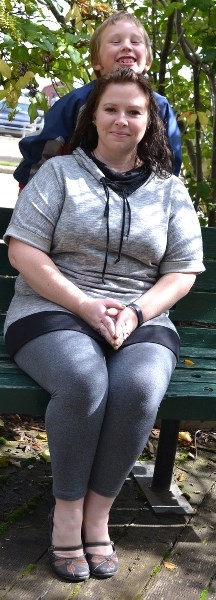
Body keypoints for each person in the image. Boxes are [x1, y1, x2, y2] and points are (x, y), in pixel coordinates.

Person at [4, 67, 204, 583]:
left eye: (134, 111)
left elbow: (182, 270)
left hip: (141, 315)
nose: (122, 119)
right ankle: (66, 512)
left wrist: (137, 311)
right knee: (83, 380)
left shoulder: (169, 190)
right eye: (111, 109)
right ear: (92, 115)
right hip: (52, 309)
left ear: (149, 121)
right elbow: (24, 251)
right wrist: (86, 305)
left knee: (138, 388)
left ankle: (99, 514)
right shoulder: (59, 174)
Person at [14, 10, 182, 190]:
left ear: (148, 61)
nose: (127, 46)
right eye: (116, 41)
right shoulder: (75, 103)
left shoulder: (160, 107)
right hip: (76, 194)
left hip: (137, 197)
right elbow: (43, 150)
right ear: (96, 62)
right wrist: (30, 191)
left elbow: (169, 160)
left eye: (135, 41)